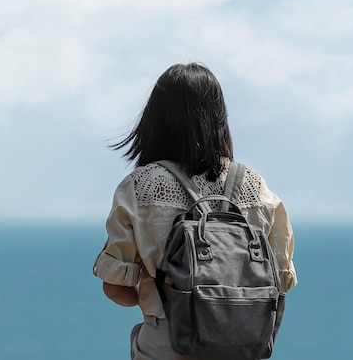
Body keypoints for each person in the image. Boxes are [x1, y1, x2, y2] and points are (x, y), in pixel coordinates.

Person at [92, 62, 297, 360]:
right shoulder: (255, 185)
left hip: (167, 342)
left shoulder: (139, 187)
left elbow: (115, 288)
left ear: (155, 120)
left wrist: (168, 301)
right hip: (240, 343)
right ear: (219, 118)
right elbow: (281, 279)